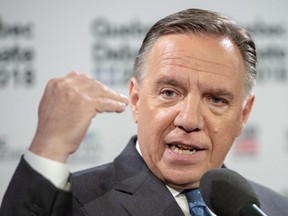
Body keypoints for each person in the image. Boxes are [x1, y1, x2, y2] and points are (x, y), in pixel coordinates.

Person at [1, 8, 288, 216]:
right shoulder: (68, 205)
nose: (189, 120)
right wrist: (47, 149)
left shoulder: (273, 209)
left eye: (216, 99)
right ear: (136, 100)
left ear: (243, 115)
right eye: (169, 93)